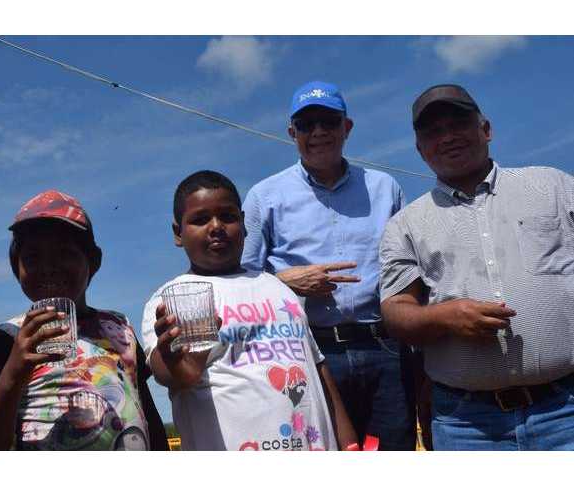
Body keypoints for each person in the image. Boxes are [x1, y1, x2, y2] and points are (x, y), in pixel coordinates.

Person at [380, 84, 574, 451]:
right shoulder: (404, 225)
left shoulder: (554, 186)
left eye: (459, 124)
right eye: (433, 131)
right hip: (467, 425)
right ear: (420, 149)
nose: (447, 137)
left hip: (566, 408)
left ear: (486, 129)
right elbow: (395, 311)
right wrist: (444, 317)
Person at [242, 81, 416, 450]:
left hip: (385, 349)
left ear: (346, 127)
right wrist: (285, 281)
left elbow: (412, 268)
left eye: (328, 121)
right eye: (306, 124)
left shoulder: (386, 188)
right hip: (309, 353)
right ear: (292, 133)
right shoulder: (264, 197)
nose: (318, 131)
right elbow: (241, 282)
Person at [142, 170, 357, 451]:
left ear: (243, 224)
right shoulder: (171, 298)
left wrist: (349, 442)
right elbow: (170, 374)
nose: (216, 227)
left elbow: (317, 366)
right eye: (200, 219)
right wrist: (178, 363)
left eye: (228, 216)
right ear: (177, 233)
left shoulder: (277, 286)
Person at [0, 190, 168, 450]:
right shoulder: (9, 337)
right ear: (16, 267)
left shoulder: (120, 329)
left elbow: (147, 413)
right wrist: (14, 372)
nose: (49, 267)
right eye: (32, 257)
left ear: (93, 261)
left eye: (65, 253)